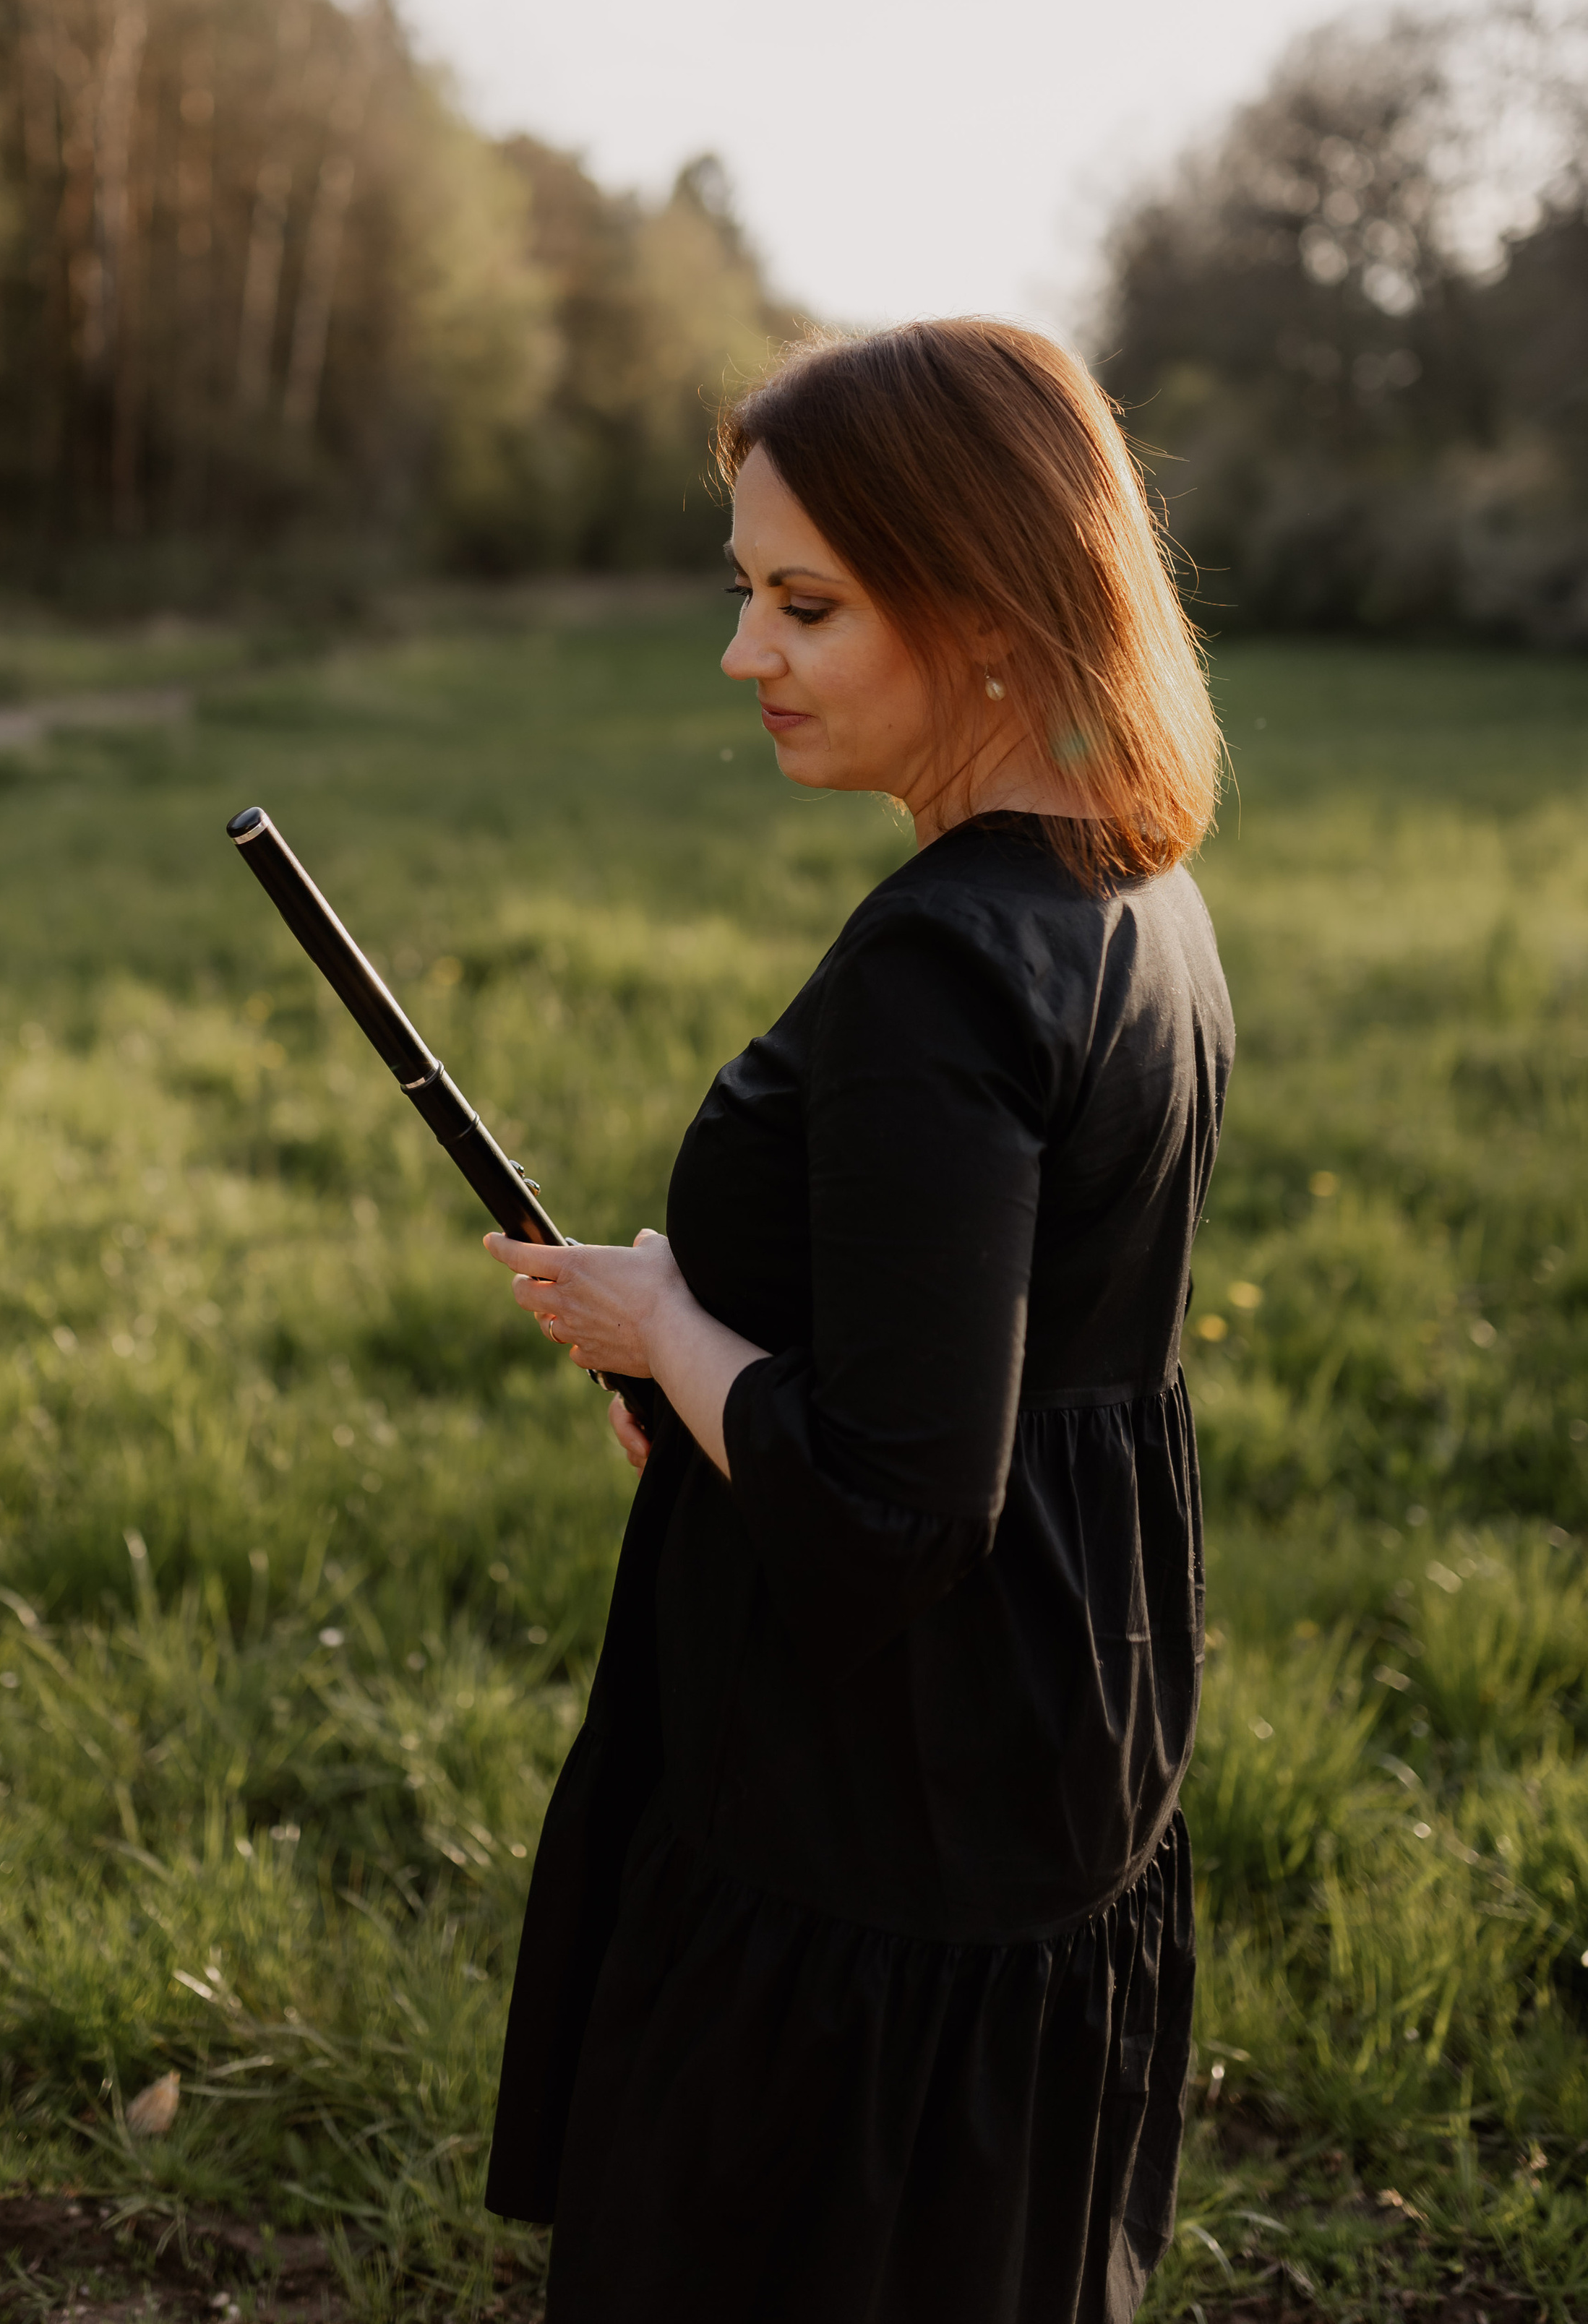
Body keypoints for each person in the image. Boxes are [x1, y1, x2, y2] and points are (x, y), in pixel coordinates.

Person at [481, 318, 1233, 2324]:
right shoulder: (1139, 890)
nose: (746, 655)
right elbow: (998, 1331)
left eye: (804, 602)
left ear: (988, 600)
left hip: (874, 1797)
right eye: (748, 593)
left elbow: (903, 1507)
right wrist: (742, 1371)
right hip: (1054, 1740)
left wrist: (670, 1334)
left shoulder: (940, 964)